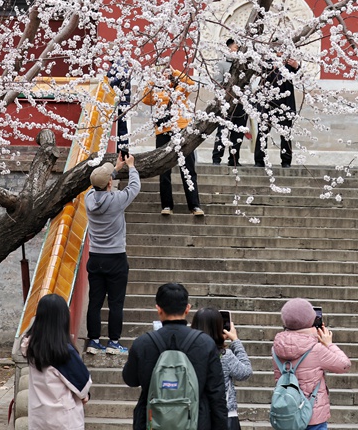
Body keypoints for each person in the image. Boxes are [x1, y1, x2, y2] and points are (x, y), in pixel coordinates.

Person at [122, 283, 228, 430]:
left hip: (152, 422)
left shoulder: (143, 343)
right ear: (187, 309)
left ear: (158, 309)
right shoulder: (205, 343)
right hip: (197, 422)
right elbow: (217, 395)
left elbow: (130, 379)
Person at [84, 153, 140, 355]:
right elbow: (134, 188)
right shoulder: (117, 200)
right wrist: (131, 167)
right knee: (116, 302)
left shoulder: (88, 198)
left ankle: (93, 341)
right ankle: (114, 342)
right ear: (110, 184)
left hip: (95, 257)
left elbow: (99, 185)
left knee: (95, 302)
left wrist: (115, 169)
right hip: (116, 257)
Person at [272, 298, 351, 430]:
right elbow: (344, 365)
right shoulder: (316, 349)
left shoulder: (276, 348)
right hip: (313, 415)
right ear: (312, 320)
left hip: (287, 413)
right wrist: (329, 344)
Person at [21, 294, 92, 430]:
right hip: (64, 419)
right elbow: (82, 385)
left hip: (39, 417)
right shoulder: (64, 352)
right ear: (63, 318)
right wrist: (85, 396)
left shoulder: (31, 346)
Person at [148, 68, 204, 216]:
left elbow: (190, 82)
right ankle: (166, 205)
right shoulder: (157, 91)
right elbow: (147, 99)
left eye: (167, 74)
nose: (165, 76)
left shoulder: (180, 89)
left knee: (188, 167)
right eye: (163, 73)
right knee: (163, 169)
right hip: (163, 131)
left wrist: (175, 71)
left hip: (181, 128)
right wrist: (153, 78)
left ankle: (194, 205)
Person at [192, 307, 253, 430]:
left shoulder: (188, 353)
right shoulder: (224, 355)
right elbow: (245, 372)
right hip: (225, 414)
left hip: (194, 414)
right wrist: (235, 340)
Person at [254, 56, 300, 168]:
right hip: (267, 104)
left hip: (285, 104)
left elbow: (301, 77)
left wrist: (297, 67)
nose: (280, 51)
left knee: (285, 134)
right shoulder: (266, 61)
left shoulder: (289, 62)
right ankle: (259, 160)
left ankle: (286, 161)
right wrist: (269, 68)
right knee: (262, 132)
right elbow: (257, 72)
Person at [212, 39, 248, 167]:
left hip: (241, 103)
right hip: (227, 103)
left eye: (238, 47)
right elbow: (217, 83)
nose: (237, 49)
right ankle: (216, 158)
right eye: (235, 47)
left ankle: (234, 159)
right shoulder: (221, 64)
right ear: (228, 48)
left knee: (238, 132)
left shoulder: (246, 65)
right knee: (223, 131)